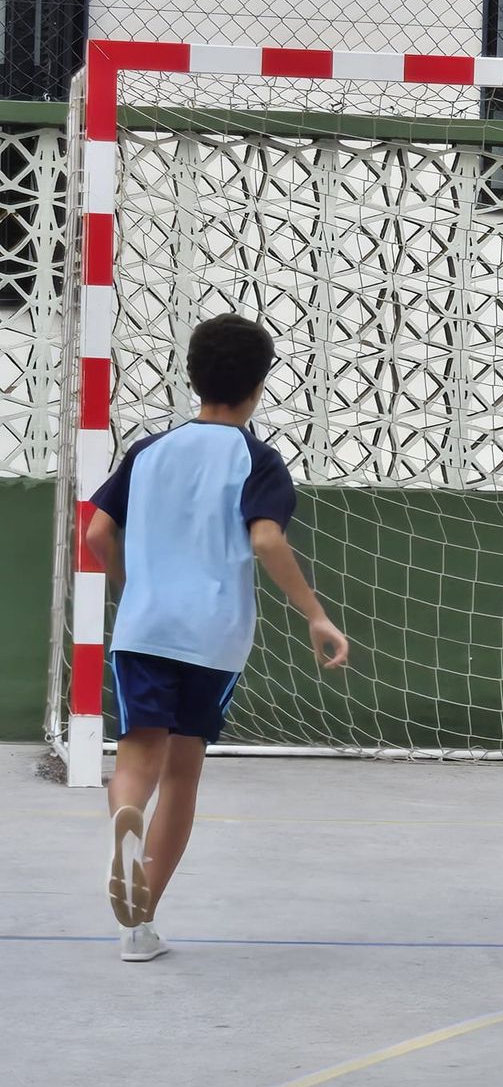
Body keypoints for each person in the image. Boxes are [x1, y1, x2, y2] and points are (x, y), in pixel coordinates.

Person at [84, 313, 349, 962]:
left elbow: (94, 535)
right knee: (183, 775)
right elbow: (265, 538)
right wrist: (315, 614)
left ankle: (124, 817)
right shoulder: (257, 459)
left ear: (192, 377)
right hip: (214, 638)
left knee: (135, 761)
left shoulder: (149, 451)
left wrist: (135, 586)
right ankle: (139, 928)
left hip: (145, 627)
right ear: (259, 385)